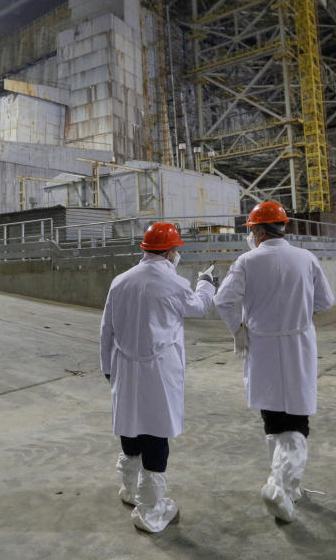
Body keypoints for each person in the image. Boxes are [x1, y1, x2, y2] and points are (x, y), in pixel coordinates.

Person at [213, 201, 334, 523]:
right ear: (284, 227)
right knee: (296, 418)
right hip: (297, 344)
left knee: (273, 416)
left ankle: (284, 487)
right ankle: (281, 485)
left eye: (252, 230)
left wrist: (239, 327)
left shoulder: (247, 261)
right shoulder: (306, 258)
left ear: (259, 230)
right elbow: (326, 301)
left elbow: (223, 299)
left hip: (262, 344)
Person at [100, 221, 217, 533]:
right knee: (155, 432)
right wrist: (206, 283)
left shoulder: (120, 281)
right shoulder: (175, 284)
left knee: (130, 426)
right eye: (176, 249)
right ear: (171, 251)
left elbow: (106, 330)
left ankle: (129, 488)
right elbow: (201, 307)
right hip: (158, 371)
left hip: (124, 367)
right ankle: (151, 509)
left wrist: (108, 369)